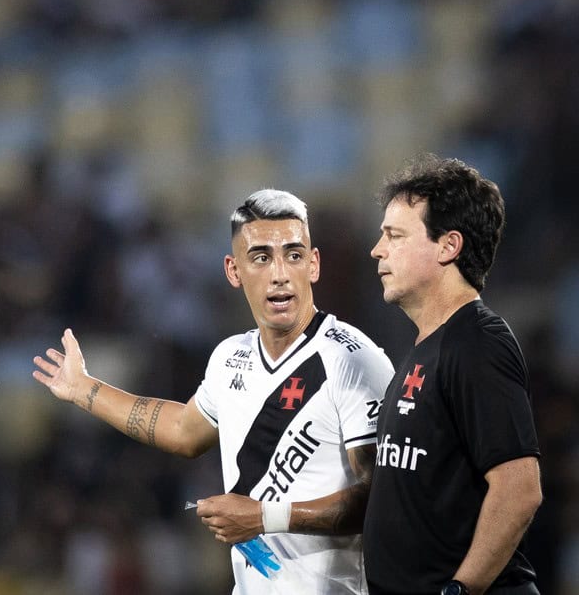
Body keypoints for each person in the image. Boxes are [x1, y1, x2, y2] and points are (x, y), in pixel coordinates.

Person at [33, 189, 394, 593]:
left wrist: (265, 517)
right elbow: (184, 430)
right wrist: (85, 389)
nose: (279, 274)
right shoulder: (230, 357)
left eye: (293, 255)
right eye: (261, 257)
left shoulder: (354, 360)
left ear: (314, 264)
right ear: (233, 270)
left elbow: (381, 497)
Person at [366, 155, 543, 595]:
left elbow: (519, 488)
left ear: (448, 246)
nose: (378, 249)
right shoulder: (426, 350)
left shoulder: (477, 342)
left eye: (395, 235)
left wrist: (461, 589)